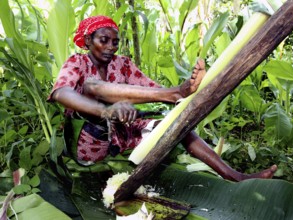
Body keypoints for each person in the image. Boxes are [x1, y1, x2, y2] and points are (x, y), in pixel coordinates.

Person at [49, 15, 277, 181]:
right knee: (91, 86)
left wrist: (181, 94)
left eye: (115, 42)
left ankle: (233, 175)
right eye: (103, 40)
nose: (111, 47)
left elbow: (152, 90)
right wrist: (108, 110)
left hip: (122, 137)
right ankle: (177, 91)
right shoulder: (77, 62)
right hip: (88, 142)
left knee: (176, 125)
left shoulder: (123, 64)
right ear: (88, 42)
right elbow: (61, 93)